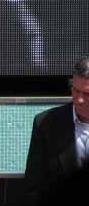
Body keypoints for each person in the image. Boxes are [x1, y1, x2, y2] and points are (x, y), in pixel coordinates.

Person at [23, 56, 89, 198]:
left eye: (87, 94)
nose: (79, 99)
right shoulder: (46, 123)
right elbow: (33, 187)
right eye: (76, 90)